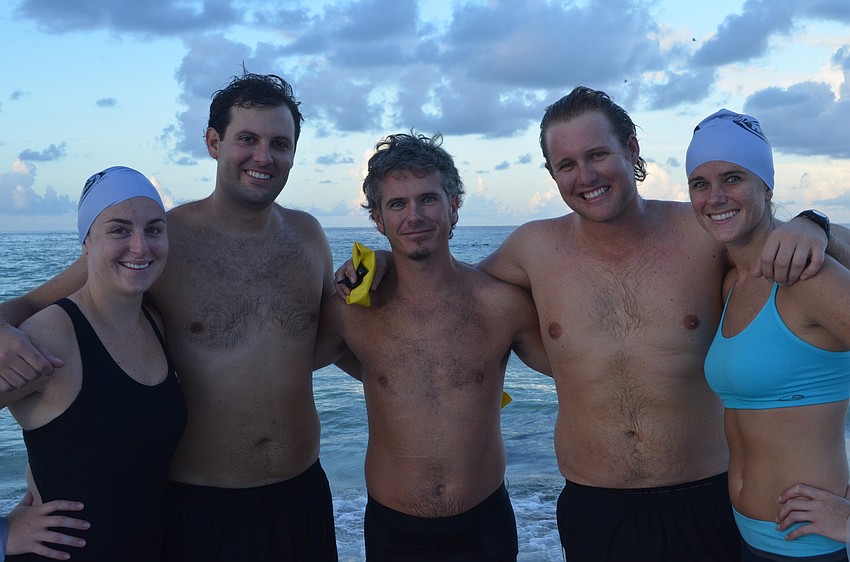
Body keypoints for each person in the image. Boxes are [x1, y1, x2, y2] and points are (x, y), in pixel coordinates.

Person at [337, 87, 848, 561]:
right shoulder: (532, 249)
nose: (585, 176)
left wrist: (815, 224)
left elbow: (774, 241)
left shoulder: (703, 233)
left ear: (631, 149)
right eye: (566, 164)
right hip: (594, 507)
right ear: (552, 174)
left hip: (704, 496)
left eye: (598, 155)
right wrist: (385, 261)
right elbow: (451, 284)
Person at [0, 72, 338, 561]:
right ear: (213, 142)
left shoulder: (309, 237)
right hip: (202, 506)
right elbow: (32, 306)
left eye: (279, 143)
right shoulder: (157, 240)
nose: (263, 157)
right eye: (247, 139)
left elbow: (330, 341)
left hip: (303, 496)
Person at [317, 132, 550, 561]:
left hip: (484, 524)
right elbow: (277, 360)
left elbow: (579, 368)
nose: (414, 216)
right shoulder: (349, 310)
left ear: (454, 205)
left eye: (428, 199)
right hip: (393, 529)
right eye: (397, 204)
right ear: (377, 220)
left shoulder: (501, 305)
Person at [687, 109, 850, 561]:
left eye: (733, 178)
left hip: (813, 547)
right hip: (749, 539)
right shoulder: (732, 282)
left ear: (766, 186)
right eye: (700, 184)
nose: (715, 196)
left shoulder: (810, 278)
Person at [1, 166, 186, 560]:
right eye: (119, 230)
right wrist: (2, 534)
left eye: (154, 230)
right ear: (86, 242)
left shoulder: (155, 323)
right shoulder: (49, 337)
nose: (140, 246)